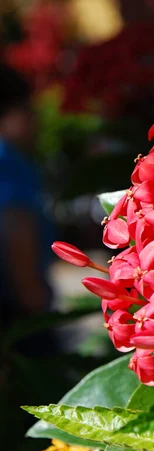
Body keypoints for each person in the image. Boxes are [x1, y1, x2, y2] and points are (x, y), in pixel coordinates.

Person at [0, 63, 53, 330]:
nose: (36, 121)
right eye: (28, 111)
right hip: (16, 309)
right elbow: (16, 225)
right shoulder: (9, 161)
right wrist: (33, 296)